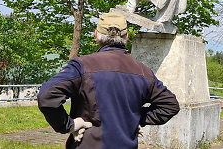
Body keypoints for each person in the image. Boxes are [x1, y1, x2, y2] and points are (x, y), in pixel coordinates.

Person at [37, 13, 180, 148]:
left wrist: (69, 125)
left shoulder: (81, 66)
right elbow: (170, 105)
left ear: (96, 35)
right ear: (127, 36)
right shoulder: (143, 71)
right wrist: (135, 117)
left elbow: (47, 96)